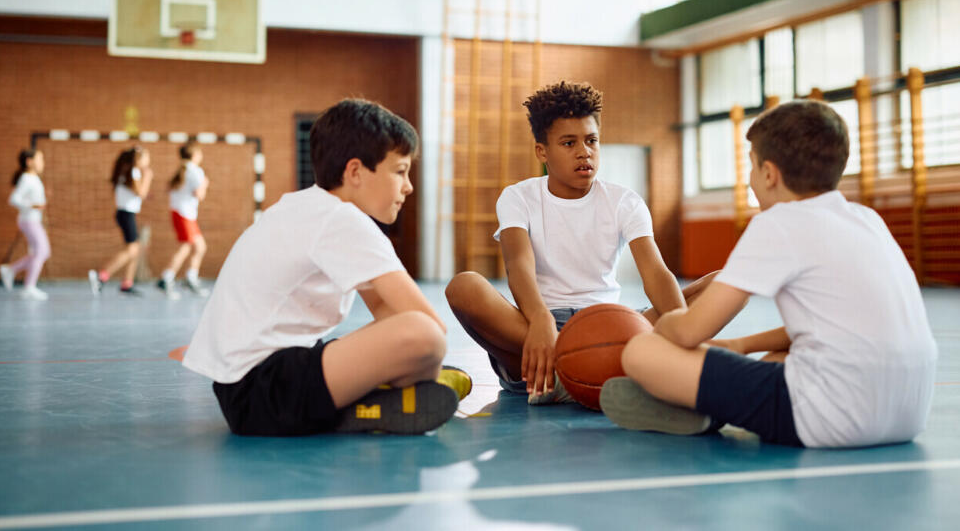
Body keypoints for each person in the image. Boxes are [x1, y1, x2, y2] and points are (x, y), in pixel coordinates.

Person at [600, 100, 938, 448]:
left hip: (832, 419)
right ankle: (708, 401)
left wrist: (660, 326)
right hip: (907, 415)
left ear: (769, 174)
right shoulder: (867, 220)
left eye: (751, 166)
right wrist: (740, 344)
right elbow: (838, 324)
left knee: (640, 351)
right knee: (777, 359)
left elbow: (688, 332)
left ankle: (699, 404)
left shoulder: (777, 222)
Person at [182, 99, 466, 435]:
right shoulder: (341, 219)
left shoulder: (308, 206)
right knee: (425, 338)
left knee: (414, 341)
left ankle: (366, 399)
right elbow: (430, 327)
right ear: (356, 172)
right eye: (400, 171)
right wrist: (419, 364)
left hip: (244, 392)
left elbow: (385, 308)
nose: (408, 186)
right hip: (266, 390)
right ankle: (362, 401)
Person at [445, 81, 713, 404]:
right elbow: (519, 265)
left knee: (722, 283)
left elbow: (656, 274)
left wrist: (681, 337)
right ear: (542, 151)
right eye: (569, 143)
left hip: (611, 326)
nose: (584, 151)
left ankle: (580, 373)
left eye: (591, 141)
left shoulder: (624, 201)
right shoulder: (518, 197)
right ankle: (591, 370)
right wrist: (542, 320)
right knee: (464, 287)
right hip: (537, 327)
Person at [88, 147, 154, 296]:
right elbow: (141, 193)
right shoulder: (134, 172)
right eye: (146, 158)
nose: (148, 161)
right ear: (138, 159)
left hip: (126, 213)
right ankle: (101, 276)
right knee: (131, 250)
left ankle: (127, 283)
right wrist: (148, 177)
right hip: (126, 214)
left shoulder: (127, 172)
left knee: (135, 249)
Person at [158, 143, 209, 297]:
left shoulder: (184, 170)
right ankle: (166, 278)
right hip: (184, 214)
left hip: (183, 213)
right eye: (199, 154)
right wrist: (205, 184)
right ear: (194, 155)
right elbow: (200, 195)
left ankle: (190, 278)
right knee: (186, 247)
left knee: (200, 247)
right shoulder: (195, 171)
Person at [0, 149, 51, 300]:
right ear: (29, 162)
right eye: (40, 159)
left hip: (34, 220)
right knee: (42, 251)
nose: (43, 163)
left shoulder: (34, 178)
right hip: (29, 220)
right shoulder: (27, 178)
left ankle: (10, 270)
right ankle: (29, 286)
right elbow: (14, 199)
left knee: (41, 253)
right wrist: (32, 205)